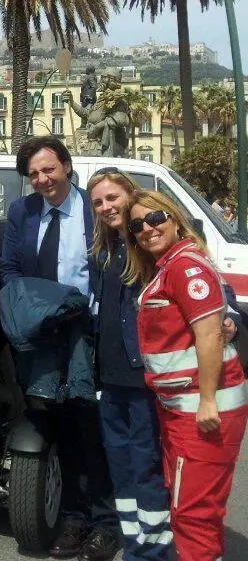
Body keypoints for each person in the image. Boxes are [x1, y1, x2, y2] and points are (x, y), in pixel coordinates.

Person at [0, 136, 119, 561]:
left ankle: (106, 523)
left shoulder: (96, 209)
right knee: (61, 427)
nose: (42, 179)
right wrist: (31, 309)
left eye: (48, 169)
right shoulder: (22, 212)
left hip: (88, 334)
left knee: (94, 428)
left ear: (66, 166)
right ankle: (72, 519)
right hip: (44, 334)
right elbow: (10, 268)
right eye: (33, 174)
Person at [125, 190, 248, 561]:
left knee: (194, 515)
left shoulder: (185, 267)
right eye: (137, 225)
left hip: (204, 413)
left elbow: (209, 334)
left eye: (155, 218)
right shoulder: (168, 266)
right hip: (181, 411)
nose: (147, 228)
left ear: (175, 219)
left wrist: (208, 400)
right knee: (186, 508)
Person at [87, 170, 173, 560]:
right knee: (121, 470)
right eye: (98, 203)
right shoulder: (103, 251)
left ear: (130, 195)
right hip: (110, 379)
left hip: (144, 381)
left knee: (146, 468)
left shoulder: (152, 242)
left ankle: (152, 552)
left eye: (112, 198)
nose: (106, 207)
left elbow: (206, 281)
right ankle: (135, 542)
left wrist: (230, 319)